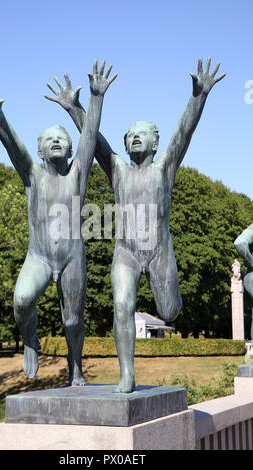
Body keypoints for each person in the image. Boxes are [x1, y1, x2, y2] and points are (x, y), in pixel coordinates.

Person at [45, 58, 225, 392]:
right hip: (126, 253)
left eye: (142, 134)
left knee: (169, 312)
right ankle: (127, 373)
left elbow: (184, 131)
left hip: (159, 252)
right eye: (129, 135)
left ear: (155, 144)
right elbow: (93, 140)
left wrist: (198, 96)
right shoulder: (117, 170)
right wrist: (75, 106)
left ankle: (172, 300)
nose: (134, 138)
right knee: (123, 305)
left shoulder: (164, 169)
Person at [0, 60, 117, 384]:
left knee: (73, 322)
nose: (55, 142)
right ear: (39, 150)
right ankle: (30, 339)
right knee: (22, 300)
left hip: (71, 258)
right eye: (48, 139)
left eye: (61, 139)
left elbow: (90, 136)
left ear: (69, 149)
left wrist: (96, 98)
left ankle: (75, 366)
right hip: (38, 257)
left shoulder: (77, 174)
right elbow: (12, 145)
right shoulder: (32, 174)